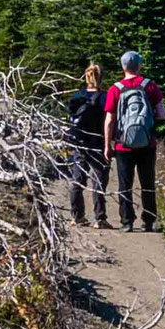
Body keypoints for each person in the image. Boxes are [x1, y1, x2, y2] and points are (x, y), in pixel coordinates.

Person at [104, 49, 165, 230]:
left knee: (125, 184)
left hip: (123, 144)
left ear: (123, 67)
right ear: (139, 66)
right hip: (147, 143)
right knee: (147, 182)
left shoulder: (115, 89)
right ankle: (149, 221)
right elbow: (162, 114)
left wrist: (107, 145)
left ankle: (127, 221)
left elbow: (110, 120)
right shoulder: (149, 86)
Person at [62, 60, 108, 222]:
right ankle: (100, 218)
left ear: (86, 77)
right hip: (98, 142)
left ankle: (77, 216)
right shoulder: (104, 97)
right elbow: (109, 120)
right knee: (99, 180)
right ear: (101, 78)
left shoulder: (77, 96)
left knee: (77, 179)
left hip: (79, 142)